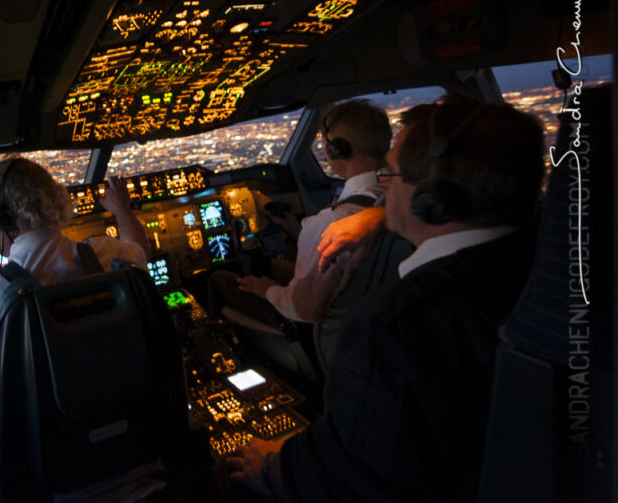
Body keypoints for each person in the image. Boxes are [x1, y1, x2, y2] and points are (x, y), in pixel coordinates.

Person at [226, 92, 545, 502]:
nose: (383, 185)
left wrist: (275, 466)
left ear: (433, 199)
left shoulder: (392, 325)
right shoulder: (554, 261)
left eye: (390, 175)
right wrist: (379, 215)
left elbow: (345, 475)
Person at [0, 156, 149, 402]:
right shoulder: (108, 257)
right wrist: (123, 211)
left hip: (32, 439)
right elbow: (140, 250)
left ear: (3, 219)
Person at [208, 99, 391, 329]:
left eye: (325, 145)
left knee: (218, 280)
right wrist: (298, 231)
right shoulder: (395, 200)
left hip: (318, 328)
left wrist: (268, 291)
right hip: (374, 312)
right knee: (269, 267)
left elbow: (301, 309)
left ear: (337, 150)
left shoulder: (330, 223)